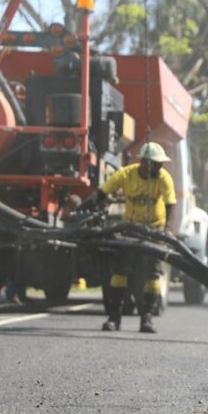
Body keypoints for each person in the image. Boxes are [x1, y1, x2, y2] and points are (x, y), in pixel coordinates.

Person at [81, 141, 176, 333]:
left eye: (161, 164)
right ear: (145, 162)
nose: (160, 166)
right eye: (157, 163)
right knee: (120, 273)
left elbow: (170, 204)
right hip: (130, 229)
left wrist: (167, 229)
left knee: (153, 275)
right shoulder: (126, 174)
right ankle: (114, 318)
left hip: (154, 230)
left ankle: (147, 318)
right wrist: (84, 206)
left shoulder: (164, 177)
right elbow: (102, 192)